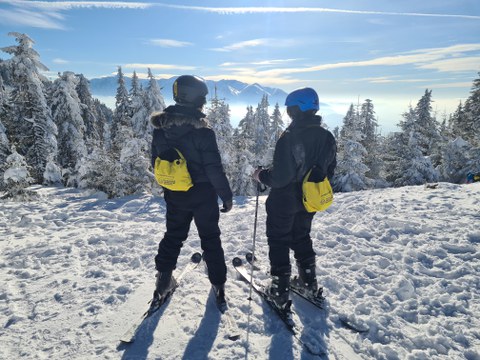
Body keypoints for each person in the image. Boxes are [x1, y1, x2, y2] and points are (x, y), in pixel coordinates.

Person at [150, 75, 233, 310]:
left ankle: (163, 282)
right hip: (203, 196)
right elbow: (214, 169)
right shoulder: (203, 132)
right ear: (196, 98)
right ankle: (218, 285)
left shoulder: (161, 129)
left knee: (173, 236)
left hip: (175, 193)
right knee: (210, 238)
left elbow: (155, 163)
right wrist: (226, 196)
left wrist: (170, 185)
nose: (204, 102)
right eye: (203, 98)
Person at [251, 87, 337, 309]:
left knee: (278, 239)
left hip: (284, 199)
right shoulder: (327, 137)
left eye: (290, 109)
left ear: (296, 110)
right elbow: (329, 171)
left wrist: (261, 174)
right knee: (301, 236)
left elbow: (281, 177)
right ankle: (308, 281)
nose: (288, 113)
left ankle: (279, 290)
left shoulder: (289, 137)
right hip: (310, 198)